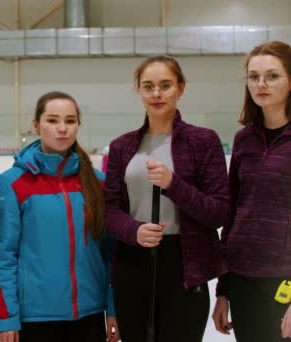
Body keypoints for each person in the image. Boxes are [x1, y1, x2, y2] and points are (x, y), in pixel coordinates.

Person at [212, 41, 291, 342]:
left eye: (272, 76)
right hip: (243, 282)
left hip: (288, 284)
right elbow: (232, 217)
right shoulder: (244, 140)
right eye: (253, 77)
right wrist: (224, 289)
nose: (261, 84)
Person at [104, 55, 230, 342]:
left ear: (181, 88)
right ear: (139, 90)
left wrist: (174, 185)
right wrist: (133, 230)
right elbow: (110, 211)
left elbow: (219, 212)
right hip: (132, 264)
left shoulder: (203, 141)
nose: (157, 94)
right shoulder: (122, 146)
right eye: (148, 86)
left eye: (165, 85)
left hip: (184, 267)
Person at [0, 91, 119, 342]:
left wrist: (113, 308)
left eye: (70, 121)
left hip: (90, 315)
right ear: (37, 125)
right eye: (52, 120)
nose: (62, 129)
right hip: (35, 320)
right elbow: (3, 257)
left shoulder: (97, 183)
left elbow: (111, 253)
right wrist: (5, 318)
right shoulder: (12, 184)